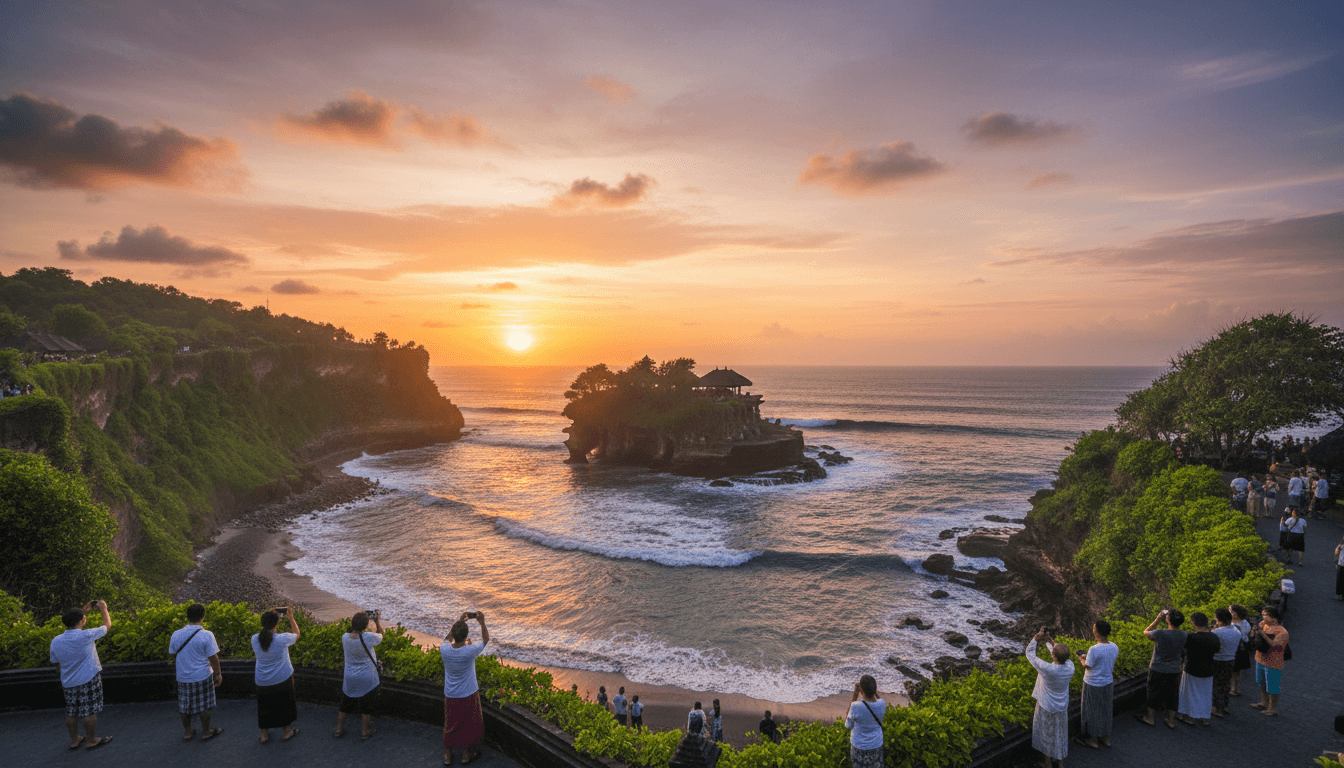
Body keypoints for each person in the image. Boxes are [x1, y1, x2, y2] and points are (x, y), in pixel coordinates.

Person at [49, 600, 113, 751]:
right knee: (90, 711)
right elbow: (107, 626)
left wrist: (83, 611)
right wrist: (104, 609)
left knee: (72, 712)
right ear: (82, 620)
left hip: (68, 682)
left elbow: (55, 663)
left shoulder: (56, 641)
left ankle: (74, 740)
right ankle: (91, 740)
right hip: (88, 678)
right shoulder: (86, 635)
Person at [169, 603, 223, 741]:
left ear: (187, 617)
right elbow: (213, 658)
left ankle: (188, 732)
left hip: (182, 676)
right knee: (204, 705)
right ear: (203, 617)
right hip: (202, 675)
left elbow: (173, 653)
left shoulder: (176, 634)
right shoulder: (206, 635)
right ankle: (206, 731)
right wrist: (217, 674)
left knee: (184, 705)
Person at [441, 610, 489, 765]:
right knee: (467, 725)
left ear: (454, 635)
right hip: (468, 692)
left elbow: (448, 638)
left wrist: (460, 621)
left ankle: (447, 755)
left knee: (449, 724)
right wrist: (481, 622)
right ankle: (465, 755)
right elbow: (485, 640)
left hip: (451, 693)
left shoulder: (445, 650)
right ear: (466, 636)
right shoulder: (469, 651)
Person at [251, 608, 301, 743]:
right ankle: (286, 732)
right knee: (285, 704)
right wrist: (290, 617)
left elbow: (267, 633)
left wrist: (271, 615)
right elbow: (296, 634)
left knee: (264, 706)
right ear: (276, 624)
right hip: (282, 678)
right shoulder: (282, 639)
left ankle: (264, 735)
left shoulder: (254, 639)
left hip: (262, 680)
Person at [1025, 630, 1072, 768]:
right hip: (1062, 706)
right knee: (1060, 733)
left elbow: (1030, 655)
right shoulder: (1070, 666)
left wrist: (1035, 638)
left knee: (1046, 734)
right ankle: (1060, 762)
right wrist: (1050, 641)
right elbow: (1060, 654)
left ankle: (1047, 764)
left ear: (1053, 655)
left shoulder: (1048, 669)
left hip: (1046, 706)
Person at [336, 610, 383, 739]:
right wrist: (377, 622)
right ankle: (364, 731)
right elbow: (381, 635)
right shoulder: (368, 637)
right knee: (367, 706)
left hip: (350, 677)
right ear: (366, 625)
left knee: (345, 704)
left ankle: (339, 729)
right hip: (367, 677)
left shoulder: (345, 637)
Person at [1138, 609, 1186, 729]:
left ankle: (1150, 718)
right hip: (1175, 669)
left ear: (1167, 619)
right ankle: (1171, 720)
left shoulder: (1160, 633)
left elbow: (1146, 632)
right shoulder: (1184, 635)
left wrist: (1158, 619)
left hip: (1158, 667)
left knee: (1153, 691)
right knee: (1173, 695)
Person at [1075, 619, 1118, 749]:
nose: (1093, 629)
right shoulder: (1114, 646)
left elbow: (1088, 666)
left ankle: (1092, 739)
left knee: (1092, 711)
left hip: (1092, 683)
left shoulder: (1093, 649)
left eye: (1094, 628)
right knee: (1105, 709)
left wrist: (1081, 658)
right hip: (1108, 682)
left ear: (1097, 632)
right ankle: (1105, 738)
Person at [1177, 613, 1219, 726]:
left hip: (1192, 668)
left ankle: (1189, 718)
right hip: (1209, 668)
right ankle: (1205, 718)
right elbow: (1217, 651)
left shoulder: (1191, 636)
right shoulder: (1214, 636)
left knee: (1190, 694)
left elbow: (1182, 649)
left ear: (1194, 623)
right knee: (1205, 694)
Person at [1250, 605, 1288, 716]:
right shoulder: (1263, 624)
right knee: (1261, 683)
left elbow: (1273, 645)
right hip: (1260, 659)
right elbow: (1253, 635)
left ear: (1273, 617)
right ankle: (1264, 702)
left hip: (1273, 664)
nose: (1263, 617)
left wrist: (1262, 634)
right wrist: (1254, 631)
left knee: (1273, 687)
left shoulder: (1282, 632)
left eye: (1265, 615)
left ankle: (1272, 708)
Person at [844, 674, 887, 768]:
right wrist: (873, 692)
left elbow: (848, 725)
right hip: (876, 744)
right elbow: (877, 699)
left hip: (859, 746)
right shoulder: (882, 704)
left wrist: (855, 695)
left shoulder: (856, 706)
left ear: (861, 691)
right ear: (875, 690)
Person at [1210, 608, 1241, 717]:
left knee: (1216, 685)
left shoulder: (1217, 632)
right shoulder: (1237, 631)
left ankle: (1217, 709)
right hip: (1231, 660)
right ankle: (1225, 706)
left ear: (1218, 620)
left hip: (1218, 661)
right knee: (1226, 683)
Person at [1229, 604, 1253, 697]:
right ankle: (1236, 688)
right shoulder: (1245, 623)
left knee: (1234, 670)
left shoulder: (1238, 624)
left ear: (1234, 613)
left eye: (1230, 611)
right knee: (1237, 671)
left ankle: (1233, 688)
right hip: (1241, 649)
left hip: (1236, 649)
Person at [1335, 535, 1344, 601]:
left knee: (1340, 581)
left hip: (1341, 565)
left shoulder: (1341, 545)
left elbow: (1336, 552)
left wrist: (1336, 562)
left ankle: (1341, 595)